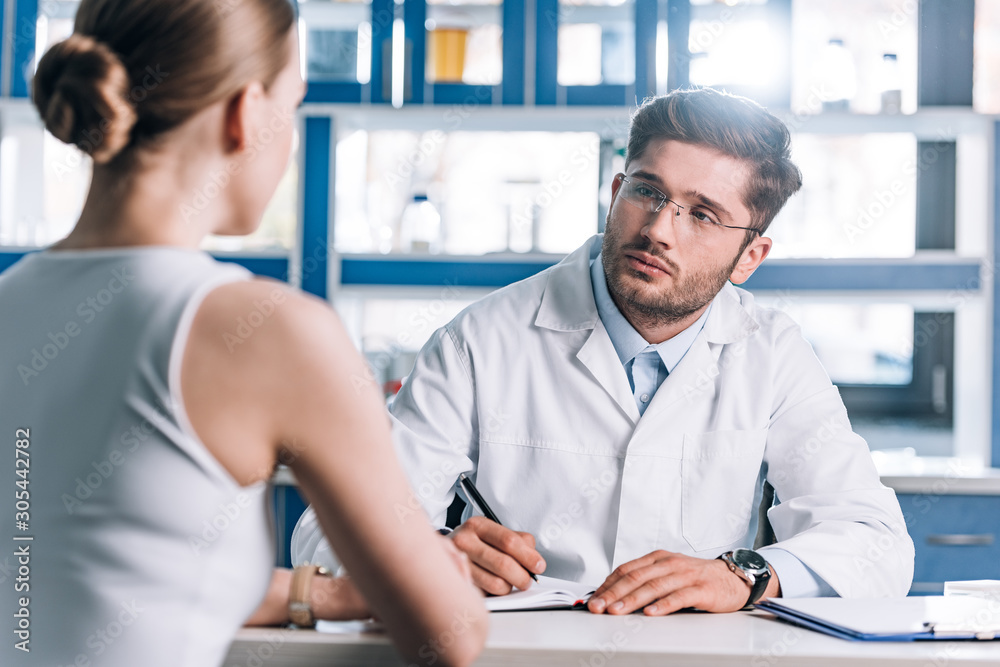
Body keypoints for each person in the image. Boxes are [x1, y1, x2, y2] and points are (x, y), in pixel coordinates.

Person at [294, 87, 915, 615]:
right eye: (647, 191)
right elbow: (326, 532)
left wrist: (744, 575)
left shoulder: (772, 353)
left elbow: (876, 542)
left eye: (702, 215)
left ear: (750, 256)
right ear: (616, 191)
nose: (658, 230)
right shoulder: (479, 340)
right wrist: (421, 551)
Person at [0, 1, 487, 665]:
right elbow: (449, 634)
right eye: (293, 106)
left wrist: (320, 592)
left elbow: (100, 567)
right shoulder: (269, 330)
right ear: (247, 113)